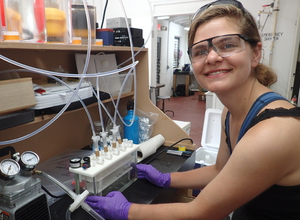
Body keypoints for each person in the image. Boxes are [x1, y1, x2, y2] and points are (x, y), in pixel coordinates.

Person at [85, 0, 300, 219]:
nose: (212, 57)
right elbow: (219, 172)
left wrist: (126, 210)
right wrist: (165, 178)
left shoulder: (274, 131)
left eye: (227, 45)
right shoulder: (231, 112)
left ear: (255, 54)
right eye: (200, 51)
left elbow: (200, 212)